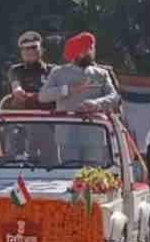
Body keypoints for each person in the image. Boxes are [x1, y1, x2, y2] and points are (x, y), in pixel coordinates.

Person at [39, 32, 121, 164]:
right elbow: (43, 96)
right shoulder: (58, 73)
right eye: (90, 49)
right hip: (67, 136)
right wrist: (68, 89)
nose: (92, 52)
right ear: (80, 53)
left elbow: (115, 97)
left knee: (94, 177)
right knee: (70, 175)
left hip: (95, 135)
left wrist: (95, 103)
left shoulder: (101, 73)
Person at [7, 31, 54, 109]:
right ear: (21, 52)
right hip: (24, 117)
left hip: (51, 116)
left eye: (34, 47)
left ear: (41, 49)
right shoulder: (16, 70)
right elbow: (17, 88)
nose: (31, 51)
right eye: (26, 48)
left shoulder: (53, 70)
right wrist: (18, 91)